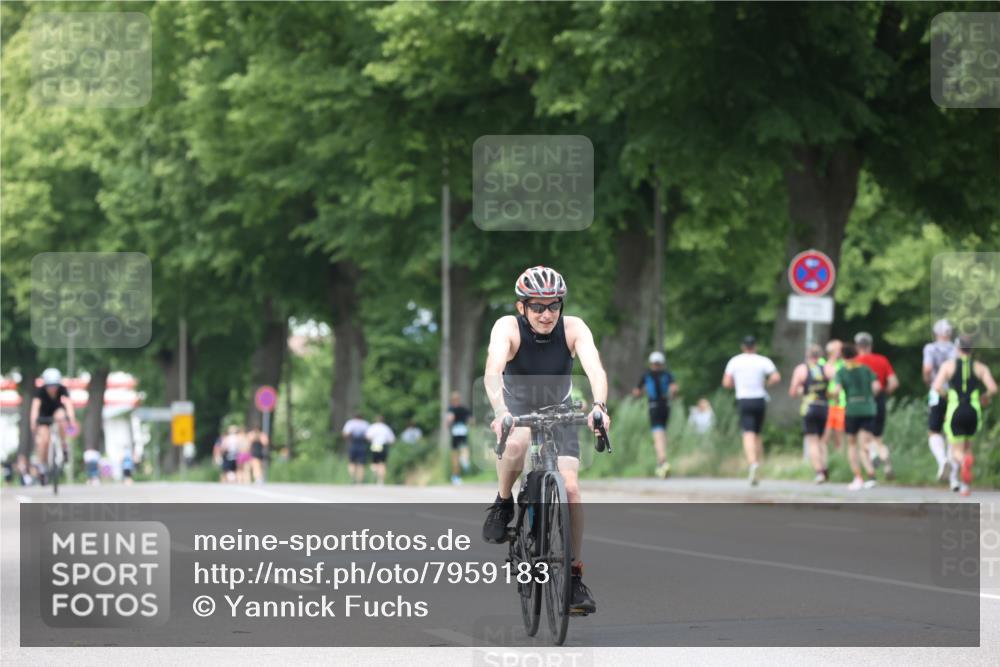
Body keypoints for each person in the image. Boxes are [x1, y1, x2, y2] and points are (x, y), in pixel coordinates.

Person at [482, 265, 609, 615]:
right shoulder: (507, 327)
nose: (546, 314)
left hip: (559, 409)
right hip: (517, 408)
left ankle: (573, 575)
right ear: (522, 306)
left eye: (553, 305)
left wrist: (599, 406)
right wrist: (500, 410)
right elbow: (493, 370)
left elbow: (595, 368)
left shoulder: (573, 328)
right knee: (518, 445)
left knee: (569, 488)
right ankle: (503, 501)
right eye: (537, 306)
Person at [933, 335, 997, 496]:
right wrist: (985, 397)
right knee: (968, 446)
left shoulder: (948, 366)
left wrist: (947, 396)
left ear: (957, 348)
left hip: (955, 410)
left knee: (956, 450)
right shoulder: (980, 367)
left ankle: (963, 462)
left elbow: (937, 386)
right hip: (974, 410)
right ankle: (965, 487)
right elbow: (993, 389)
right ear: (972, 349)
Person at [722, 336, 780, 486]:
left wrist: (737, 383)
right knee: (758, 433)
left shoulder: (735, 361)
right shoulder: (762, 361)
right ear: (756, 346)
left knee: (748, 433)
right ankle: (759, 466)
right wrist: (766, 384)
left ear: (743, 347)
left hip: (744, 399)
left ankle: (752, 463)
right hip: (759, 398)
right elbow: (776, 377)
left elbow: (726, 382)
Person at [831, 343, 881, 491]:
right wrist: (870, 397)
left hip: (852, 409)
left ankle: (858, 477)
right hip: (868, 407)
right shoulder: (865, 369)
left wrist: (834, 398)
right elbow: (877, 386)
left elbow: (837, 390)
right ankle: (872, 472)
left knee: (852, 444)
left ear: (843, 356)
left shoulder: (841, 371)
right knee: (865, 441)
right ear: (855, 354)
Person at [854, 332, 899, 479]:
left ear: (857, 346)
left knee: (864, 440)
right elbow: (894, 383)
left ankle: (873, 457)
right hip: (880, 401)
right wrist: (885, 391)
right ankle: (887, 465)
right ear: (870, 345)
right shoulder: (882, 360)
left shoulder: (855, 362)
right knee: (878, 438)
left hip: (862, 402)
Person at [632, 351, 679, 479]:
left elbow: (636, 392)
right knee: (663, 433)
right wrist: (672, 396)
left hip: (653, 406)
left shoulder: (646, 376)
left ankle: (662, 462)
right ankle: (662, 460)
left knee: (658, 435)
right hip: (666, 406)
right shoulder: (667, 375)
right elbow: (674, 389)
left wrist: (640, 395)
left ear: (651, 363)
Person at [924, 319, 958, 483]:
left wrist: (928, 382)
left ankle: (942, 460)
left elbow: (928, 369)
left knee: (934, 431)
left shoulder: (930, 348)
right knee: (952, 433)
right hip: (954, 393)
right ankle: (954, 479)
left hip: (937, 392)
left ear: (936, 333)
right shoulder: (955, 349)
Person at [29, 368, 77, 486]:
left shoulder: (62, 389)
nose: (53, 388)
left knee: (61, 416)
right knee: (43, 441)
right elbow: (35, 409)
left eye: (55, 385)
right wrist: (33, 424)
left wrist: (71, 420)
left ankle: (64, 444)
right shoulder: (40, 392)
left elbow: (69, 405)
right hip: (43, 417)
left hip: (57, 413)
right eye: (50, 385)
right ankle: (42, 466)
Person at [789, 344, 829, 483]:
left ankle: (819, 472)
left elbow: (792, 392)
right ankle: (825, 467)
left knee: (812, 442)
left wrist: (801, 390)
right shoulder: (828, 368)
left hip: (809, 407)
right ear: (820, 356)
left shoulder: (801, 369)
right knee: (822, 441)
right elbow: (837, 388)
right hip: (824, 407)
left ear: (807, 356)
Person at [822, 340, 847, 455]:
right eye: (838, 349)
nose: (840, 352)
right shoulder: (822, 362)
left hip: (840, 404)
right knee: (824, 436)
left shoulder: (843, 363)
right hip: (825, 404)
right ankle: (823, 464)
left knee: (839, 437)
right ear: (830, 351)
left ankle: (839, 461)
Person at [446, 392, 473, 485]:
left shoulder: (451, 408)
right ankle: (464, 459)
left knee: (454, 455)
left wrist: (448, 424)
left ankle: (455, 477)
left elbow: (450, 419)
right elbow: (471, 420)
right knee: (465, 449)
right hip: (463, 430)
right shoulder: (464, 409)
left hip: (455, 431)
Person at [365, 415, 396, 486]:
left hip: (375, 445)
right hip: (384, 445)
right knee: (382, 463)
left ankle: (375, 475)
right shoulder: (386, 428)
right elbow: (392, 440)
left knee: (375, 462)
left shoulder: (373, 427)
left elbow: (367, 437)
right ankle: (381, 480)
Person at [342, 413, 370, 484]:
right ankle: (360, 480)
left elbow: (345, 434)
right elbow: (369, 436)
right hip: (362, 444)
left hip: (353, 444)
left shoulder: (351, 423)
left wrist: (350, 437)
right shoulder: (365, 424)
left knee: (352, 462)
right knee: (361, 463)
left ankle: (353, 478)